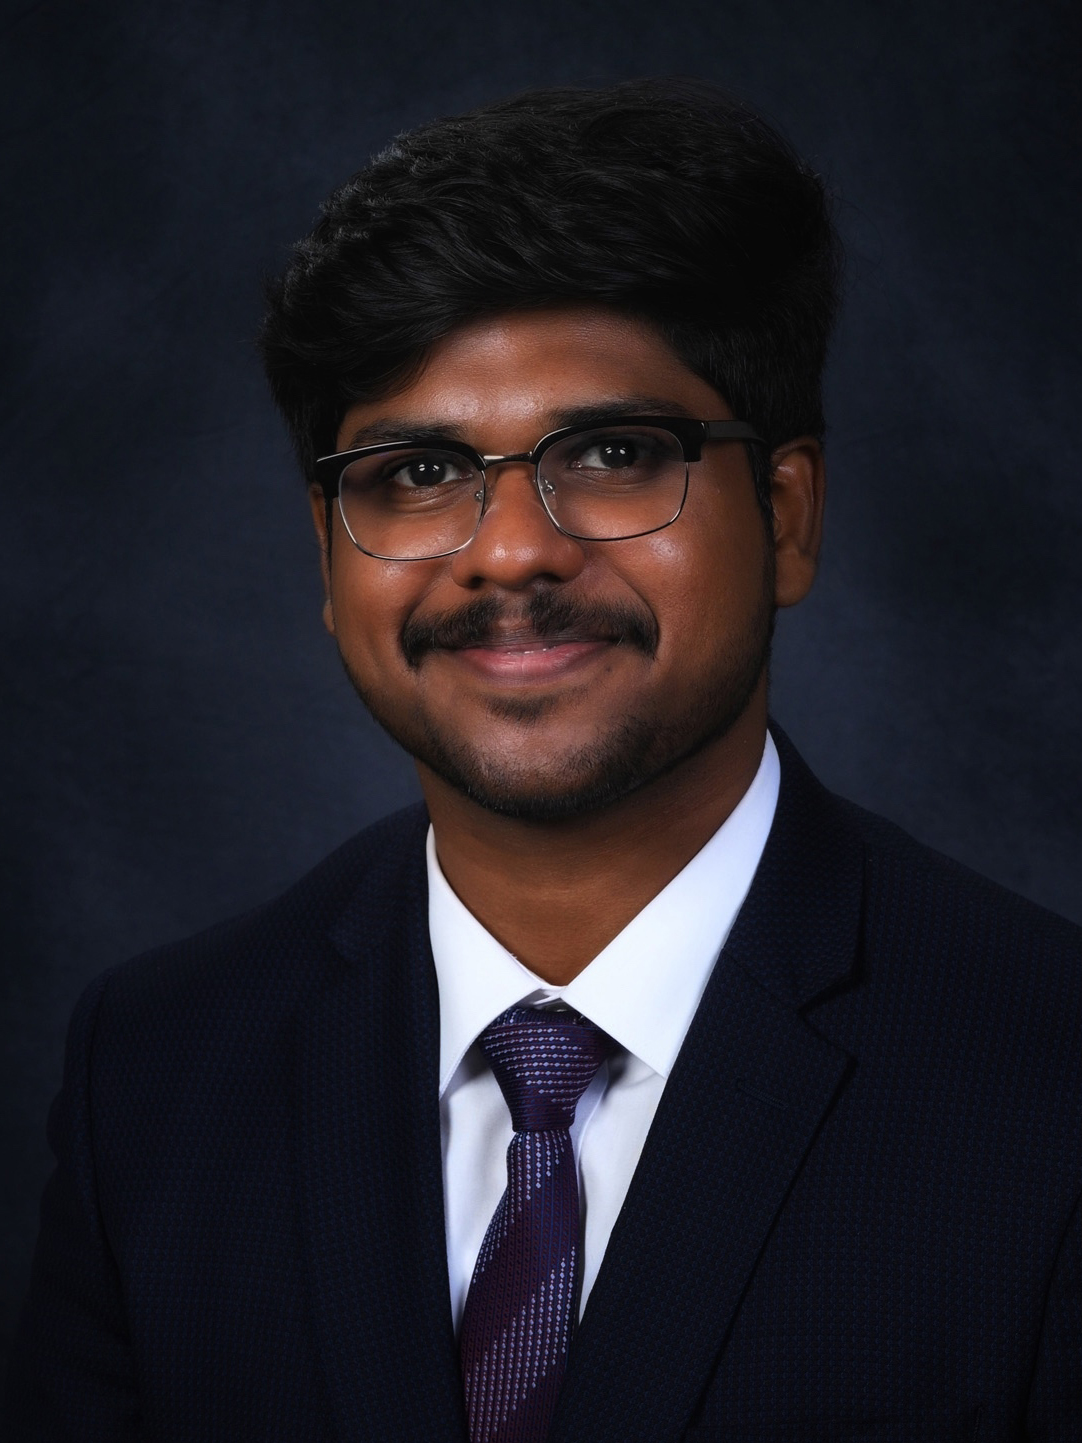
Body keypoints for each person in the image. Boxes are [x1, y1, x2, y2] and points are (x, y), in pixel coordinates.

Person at [5, 79, 1081, 1443]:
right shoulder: (157, 1074)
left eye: (615, 453)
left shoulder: (1045, 1079)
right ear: (327, 564)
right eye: (413, 474)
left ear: (788, 518)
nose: (507, 550)